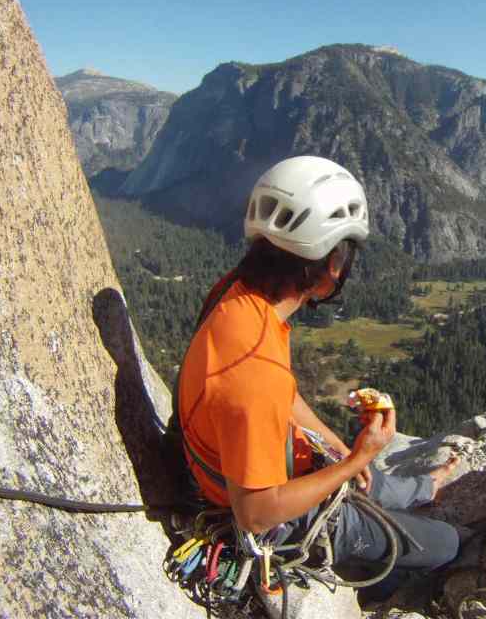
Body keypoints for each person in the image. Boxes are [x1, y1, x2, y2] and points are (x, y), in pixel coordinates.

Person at [176, 155, 460, 598]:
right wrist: (352, 462)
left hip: (262, 462)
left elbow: (281, 394)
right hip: (276, 515)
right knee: (448, 544)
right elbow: (255, 513)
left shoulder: (239, 299)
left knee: (367, 478)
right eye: (343, 255)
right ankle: (418, 521)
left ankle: (425, 485)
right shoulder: (254, 370)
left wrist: (339, 447)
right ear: (329, 268)